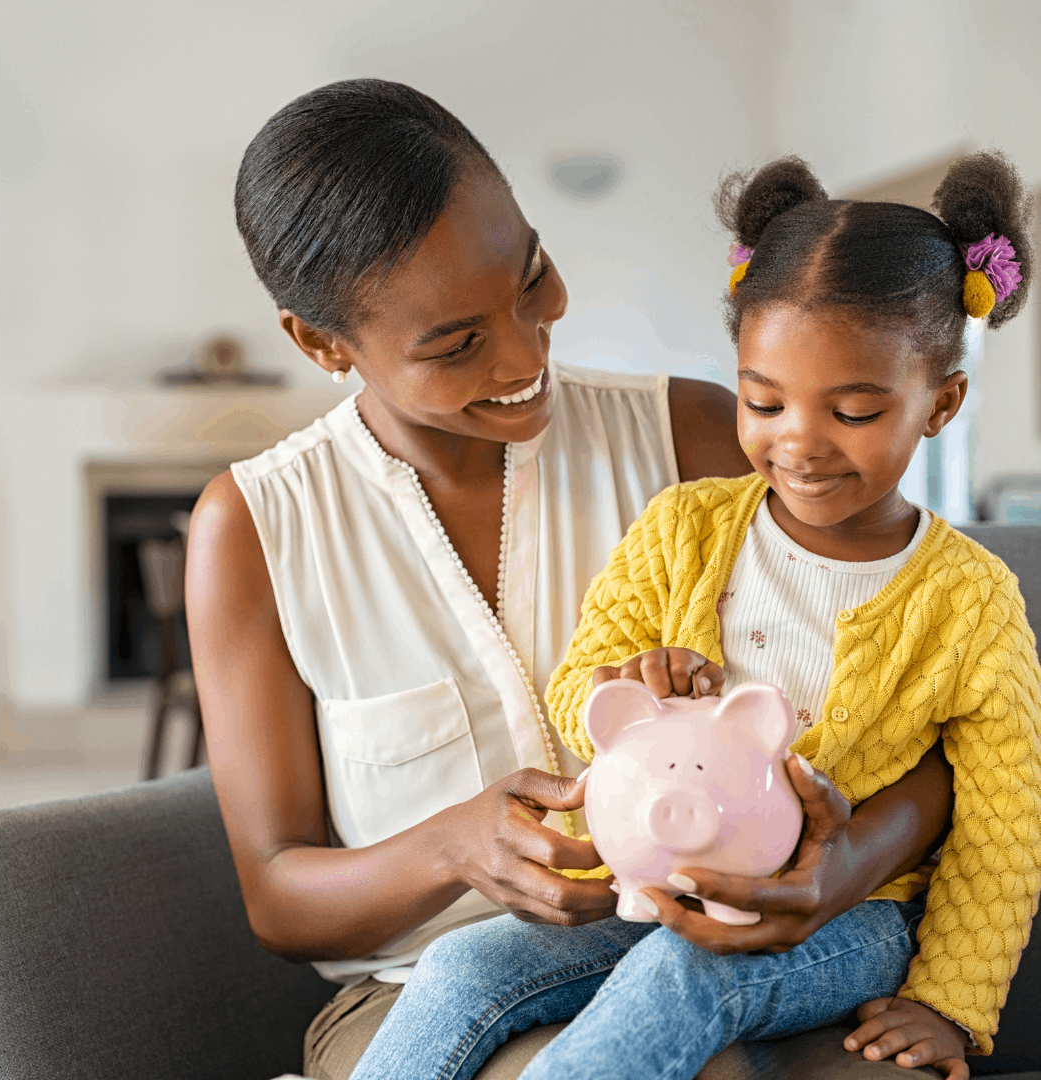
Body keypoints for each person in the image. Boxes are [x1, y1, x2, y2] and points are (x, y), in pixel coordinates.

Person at [185, 81, 954, 1080]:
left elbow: (935, 713)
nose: (525, 350)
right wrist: (452, 848)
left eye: (531, 276)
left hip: (713, 944)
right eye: (457, 344)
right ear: (322, 344)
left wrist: (844, 866)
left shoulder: (700, 438)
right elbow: (279, 897)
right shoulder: (256, 527)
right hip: (420, 998)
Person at [346, 152, 1041, 1080]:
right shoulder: (686, 527)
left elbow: (1006, 820)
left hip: (854, 918)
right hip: (651, 881)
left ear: (939, 405)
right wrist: (628, 682)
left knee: (684, 976)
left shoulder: (971, 598)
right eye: (764, 401)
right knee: (469, 964)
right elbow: (578, 690)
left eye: (855, 411)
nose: (799, 440)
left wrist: (948, 1004)